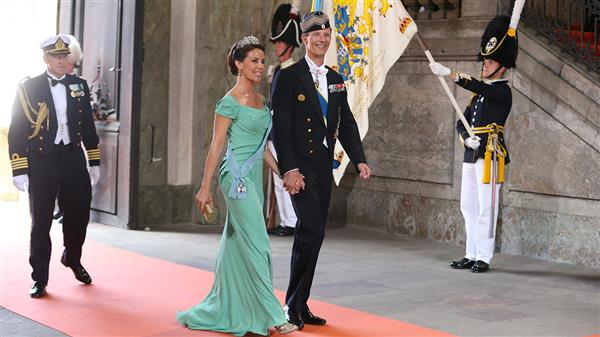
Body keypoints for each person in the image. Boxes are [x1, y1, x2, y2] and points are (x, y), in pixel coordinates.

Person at [176, 36, 297, 336]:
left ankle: (230, 308)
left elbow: (262, 148)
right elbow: (217, 147)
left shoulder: (261, 101)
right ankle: (272, 316)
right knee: (259, 241)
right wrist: (205, 188)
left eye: (262, 60)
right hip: (236, 179)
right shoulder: (228, 102)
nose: (260, 66)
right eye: (254, 61)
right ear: (239, 65)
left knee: (235, 246)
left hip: (256, 175)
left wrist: (282, 173)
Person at [271, 11, 372, 329]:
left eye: (326, 35)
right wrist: (289, 169)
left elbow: (346, 124)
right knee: (311, 228)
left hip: (322, 168)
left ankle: (300, 304)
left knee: (314, 234)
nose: (322, 39)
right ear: (304, 39)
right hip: (299, 169)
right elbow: (280, 127)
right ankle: (291, 305)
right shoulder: (287, 77)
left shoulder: (335, 80)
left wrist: (359, 158)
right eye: (316, 35)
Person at [8, 34, 101, 298]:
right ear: (45, 59)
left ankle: (72, 257)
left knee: (79, 214)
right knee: (41, 221)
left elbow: (88, 126)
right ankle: (40, 278)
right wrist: (19, 168)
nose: (61, 61)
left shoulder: (79, 85)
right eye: (56, 57)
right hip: (41, 159)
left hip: (72, 157)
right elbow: (18, 128)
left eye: (64, 56)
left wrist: (93, 160)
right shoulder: (29, 87)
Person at [429, 15, 518, 273]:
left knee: (486, 208)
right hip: (472, 153)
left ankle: (484, 256)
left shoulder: (501, 91)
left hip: (491, 154)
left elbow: (482, 87)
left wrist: (451, 74)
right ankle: (470, 252)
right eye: (485, 61)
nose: (485, 65)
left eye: (490, 62)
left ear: (502, 67)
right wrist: (465, 137)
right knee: (468, 205)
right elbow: (462, 122)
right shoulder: (477, 98)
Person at [266, 3, 301, 237]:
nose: (277, 46)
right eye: (276, 42)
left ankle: (294, 221)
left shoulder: (295, 72)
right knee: (279, 180)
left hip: (286, 135)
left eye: (280, 42)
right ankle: (287, 221)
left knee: (288, 178)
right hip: (273, 132)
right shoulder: (278, 70)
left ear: (290, 45)